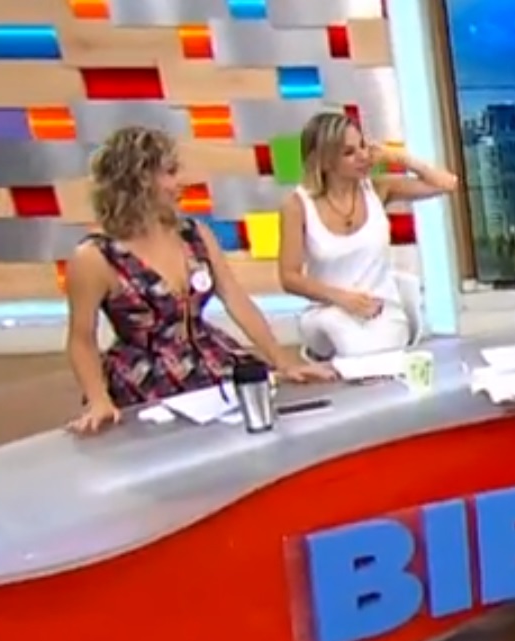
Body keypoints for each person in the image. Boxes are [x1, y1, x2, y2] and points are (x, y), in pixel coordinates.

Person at [64, 126, 335, 434]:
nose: (181, 182)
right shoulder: (95, 257)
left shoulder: (194, 235)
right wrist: (98, 399)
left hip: (210, 359)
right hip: (145, 380)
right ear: (138, 180)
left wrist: (282, 361)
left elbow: (235, 298)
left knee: (260, 413)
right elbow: (82, 339)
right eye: (170, 172)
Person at [278, 112, 459, 358]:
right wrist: (342, 298)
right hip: (327, 312)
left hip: (381, 311)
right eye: (349, 152)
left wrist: (397, 157)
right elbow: (289, 278)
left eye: (363, 145)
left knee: (369, 345)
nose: (363, 156)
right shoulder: (297, 206)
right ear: (325, 161)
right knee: (336, 327)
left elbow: (447, 184)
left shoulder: (378, 189)